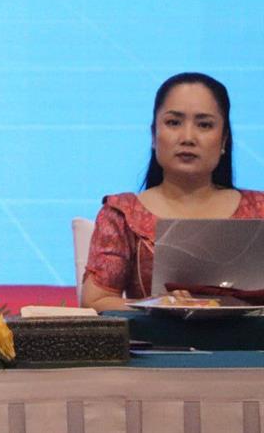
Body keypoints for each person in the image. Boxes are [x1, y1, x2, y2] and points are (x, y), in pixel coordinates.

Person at [82, 72, 264, 311]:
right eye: (174, 123)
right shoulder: (122, 214)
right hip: (152, 336)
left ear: (224, 140)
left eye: (204, 125)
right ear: (153, 135)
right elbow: (95, 301)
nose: (188, 138)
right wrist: (160, 306)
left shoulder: (259, 210)